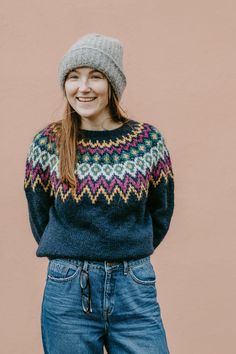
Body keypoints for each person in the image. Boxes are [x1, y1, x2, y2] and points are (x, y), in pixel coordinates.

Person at [23, 33, 175, 354]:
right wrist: (71, 254)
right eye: (73, 77)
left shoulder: (147, 141)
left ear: (113, 84)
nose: (83, 87)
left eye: (96, 76)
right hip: (67, 291)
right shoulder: (47, 144)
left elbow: (161, 211)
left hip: (134, 287)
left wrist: (127, 249)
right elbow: (41, 218)